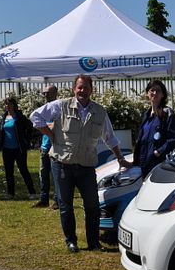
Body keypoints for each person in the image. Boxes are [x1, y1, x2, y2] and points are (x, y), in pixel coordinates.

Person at [30, 74, 131, 253]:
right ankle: (71, 241)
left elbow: (110, 137)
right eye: (79, 87)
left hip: (86, 166)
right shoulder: (61, 106)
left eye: (86, 87)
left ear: (92, 89)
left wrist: (120, 158)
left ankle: (93, 242)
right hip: (62, 164)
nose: (82, 91)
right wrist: (50, 135)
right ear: (73, 89)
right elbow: (35, 117)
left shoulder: (100, 112)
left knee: (92, 205)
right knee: (65, 204)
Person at [132, 80, 175, 177]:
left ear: (163, 95)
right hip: (143, 165)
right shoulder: (146, 115)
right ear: (147, 93)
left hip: (159, 165)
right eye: (152, 90)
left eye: (158, 91)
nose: (155, 93)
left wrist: (159, 151)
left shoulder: (167, 114)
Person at [0, 96, 37, 200]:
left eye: (10, 104)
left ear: (14, 105)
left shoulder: (20, 117)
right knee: (8, 171)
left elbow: (30, 127)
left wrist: (26, 140)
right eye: (6, 104)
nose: (8, 106)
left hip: (19, 149)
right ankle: (10, 193)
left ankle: (32, 192)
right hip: (7, 149)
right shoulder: (4, 117)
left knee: (23, 169)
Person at [32, 85, 60, 209]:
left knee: (55, 175)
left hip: (55, 146)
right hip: (44, 146)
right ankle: (44, 199)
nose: (45, 95)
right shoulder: (43, 110)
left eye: (48, 93)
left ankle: (57, 200)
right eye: (44, 93)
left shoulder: (58, 108)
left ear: (55, 93)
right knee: (43, 174)